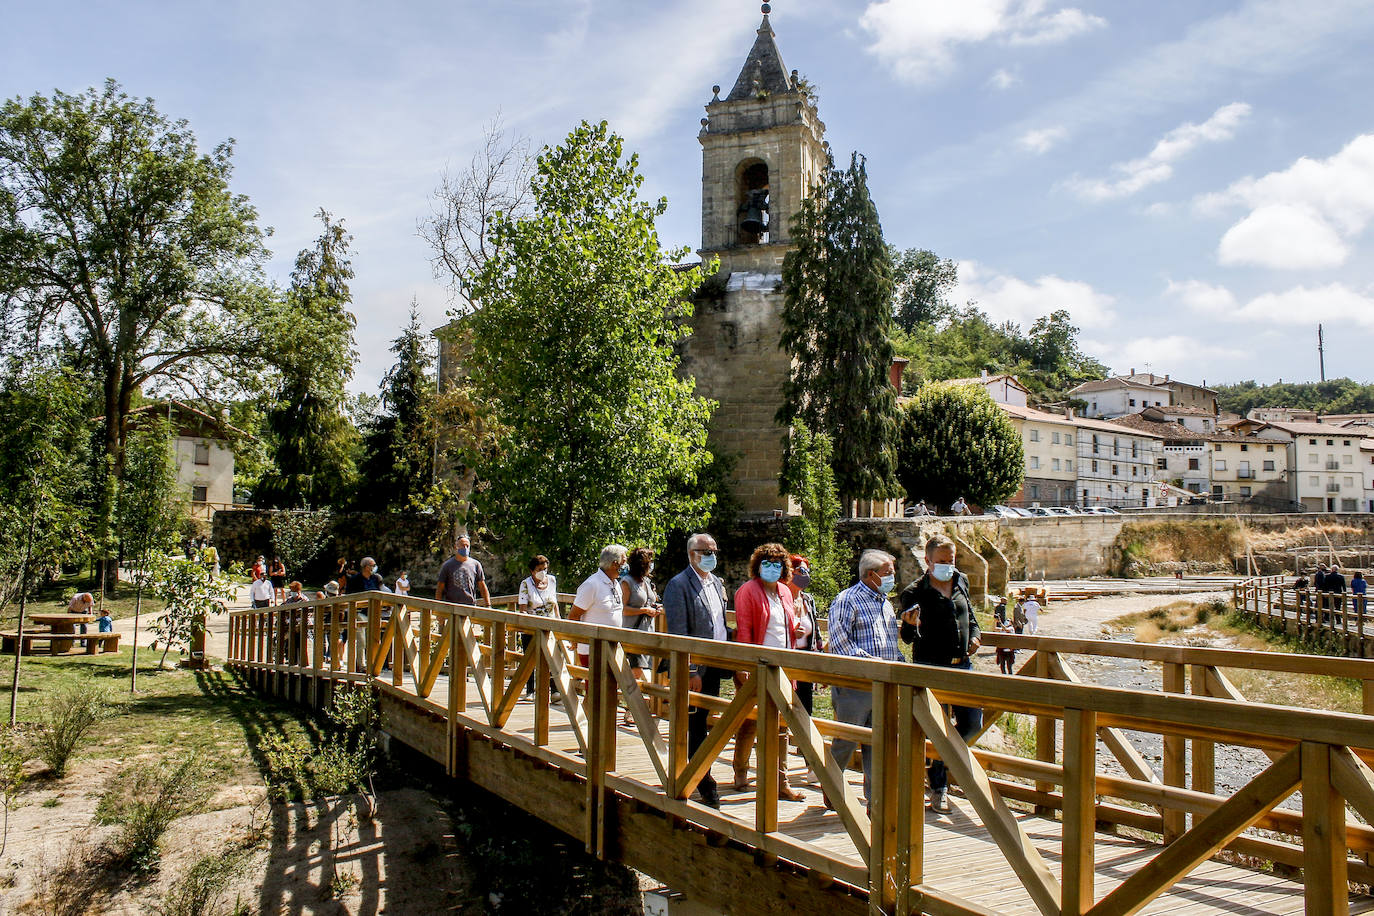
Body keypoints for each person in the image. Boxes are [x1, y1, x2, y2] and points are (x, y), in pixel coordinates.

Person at [898, 534, 984, 813]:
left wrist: (976, 635)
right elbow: (909, 638)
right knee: (936, 727)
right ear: (928, 561)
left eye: (952, 559)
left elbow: (970, 616)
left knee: (972, 723)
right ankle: (939, 788)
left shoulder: (961, 580)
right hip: (932, 668)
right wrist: (909, 625)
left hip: (962, 665)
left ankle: (942, 766)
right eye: (943, 561)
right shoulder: (915, 592)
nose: (949, 565)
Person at [827, 549, 904, 806]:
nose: (893, 578)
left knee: (880, 744)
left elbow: (891, 645)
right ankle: (831, 787)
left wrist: (900, 667)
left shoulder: (886, 603)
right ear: (871, 575)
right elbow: (840, 643)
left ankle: (875, 801)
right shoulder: (847, 599)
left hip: (884, 686)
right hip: (855, 686)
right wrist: (876, 665)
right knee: (846, 741)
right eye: (888, 574)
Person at [662, 533, 731, 809]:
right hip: (694, 670)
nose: (711, 554)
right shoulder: (678, 585)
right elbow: (679, 633)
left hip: (715, 665)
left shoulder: (715, 582)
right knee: (695, 726)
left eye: (714, 549)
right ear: (692, 554)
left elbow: (720, 624)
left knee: (707, 721)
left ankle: (698, 777)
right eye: (706, 550)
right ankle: (704, 783)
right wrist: (691, 672)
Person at [731, 543, 804, 801]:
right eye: (767, 563)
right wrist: (744, 666)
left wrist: (797, 629)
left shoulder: (785, 591)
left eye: (777, 563)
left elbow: (786, 623)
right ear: (758, 565)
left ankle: (780, 781)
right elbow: (744, 631)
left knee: (782, 723)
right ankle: (741, 769)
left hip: (783, 668)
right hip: (757, 667)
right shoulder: (747, 591)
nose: (772, 568)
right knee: (751, 721)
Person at [619, 547, 662, 723]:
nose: (652, 565)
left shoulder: (646, 582)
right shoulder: (626, 582)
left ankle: (635, 707)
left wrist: (655, 608)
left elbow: (651, 601)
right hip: (632, 633)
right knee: (636, 672)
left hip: (647, 632)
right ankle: (631, 709)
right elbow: (622, 609)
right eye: (649, 562)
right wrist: (643, 610)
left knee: (642, 671)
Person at [569, 545, 627, 667]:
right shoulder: (591, 584)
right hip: (592, 650)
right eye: (624, 561)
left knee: (612, 686)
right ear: (615, 564)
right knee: (595, 686)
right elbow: (573, 615)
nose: (626, 565)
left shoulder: (616, 583)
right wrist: (575, 639)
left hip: (613, 647)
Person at [517, 555, 561, 700]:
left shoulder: (552, 580)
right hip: (532, 627)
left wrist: (559, 621)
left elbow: (554, 603)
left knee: (553, 658)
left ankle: (555, 691)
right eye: (540, 569)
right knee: (530, 658)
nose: (543, 572)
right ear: (532, 570)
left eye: (545, 569)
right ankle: (530, 691)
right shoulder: (525, 584)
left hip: (550, 625)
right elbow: (522, 608)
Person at [785, 554, 824, 716]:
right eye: (801, 570)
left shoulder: (808, 599)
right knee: (784, 709)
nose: (805, 575)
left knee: (805, 711)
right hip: (786, 661)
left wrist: (820, 664)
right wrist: (792, 633)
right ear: (790, 571)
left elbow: (817, 634)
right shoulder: (780, 597)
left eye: (808, 571)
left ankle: (799, 742)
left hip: (806, 661)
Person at [436, 536, 491, 607]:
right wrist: (438, 607)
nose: (465, 548)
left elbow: (482, 586)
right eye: (462, 545)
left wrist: (488, 604)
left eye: (467, 546)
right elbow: (440, 587)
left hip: (470, 605)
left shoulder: (475, 564)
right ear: (456, 547)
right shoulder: (448, 565)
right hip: (451, 606)